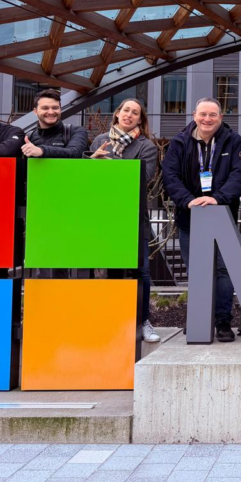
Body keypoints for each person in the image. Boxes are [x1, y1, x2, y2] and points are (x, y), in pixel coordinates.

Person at [161, 98, 241, 342]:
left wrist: (217, 198)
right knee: (197, 270)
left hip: (223, 217)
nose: (207, 119)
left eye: (212, 114)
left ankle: (222, 321)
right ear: (194, 115)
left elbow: (240, 175)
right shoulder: (179, 142)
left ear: (220, 117)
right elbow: (170, 175)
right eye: (203, 114)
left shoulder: (234, 141)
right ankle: (200, 318)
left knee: (223, 270)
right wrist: (188, 200)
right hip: (190, 218)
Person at [89, 98, 160, 342]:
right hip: (104, 216)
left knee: (141, 271)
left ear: (140, 119)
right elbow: (91, 178)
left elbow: (143, 178)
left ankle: (143, 321)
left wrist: (113, 164)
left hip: (133, 216)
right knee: (109, 270)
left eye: (135, 112)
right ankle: (114, 321)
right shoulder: (100, 141)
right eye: (125, 110)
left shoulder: (146, 146)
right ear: (118, 114)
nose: (129, 115)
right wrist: (91, 162)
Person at [20, 89, 89, 159]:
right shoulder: (29, 137)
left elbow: (75, 153)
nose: (51, 112)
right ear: (35, 111)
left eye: (55, 108)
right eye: (45, 108)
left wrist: (42, 150)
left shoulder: (76, 131)